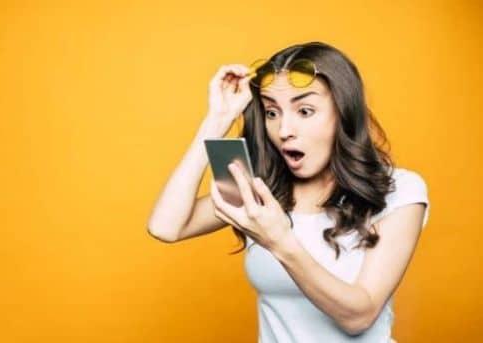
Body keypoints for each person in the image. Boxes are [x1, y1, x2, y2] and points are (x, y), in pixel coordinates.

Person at [147, 41, 430, 343]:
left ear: (343, 113)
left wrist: (280, 241)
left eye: (305, 111)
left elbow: (359, 315)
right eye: (272, 112)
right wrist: (216, 120)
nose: (284, 130)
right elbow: (166, 226)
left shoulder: (399, 191)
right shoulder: (262, 189)